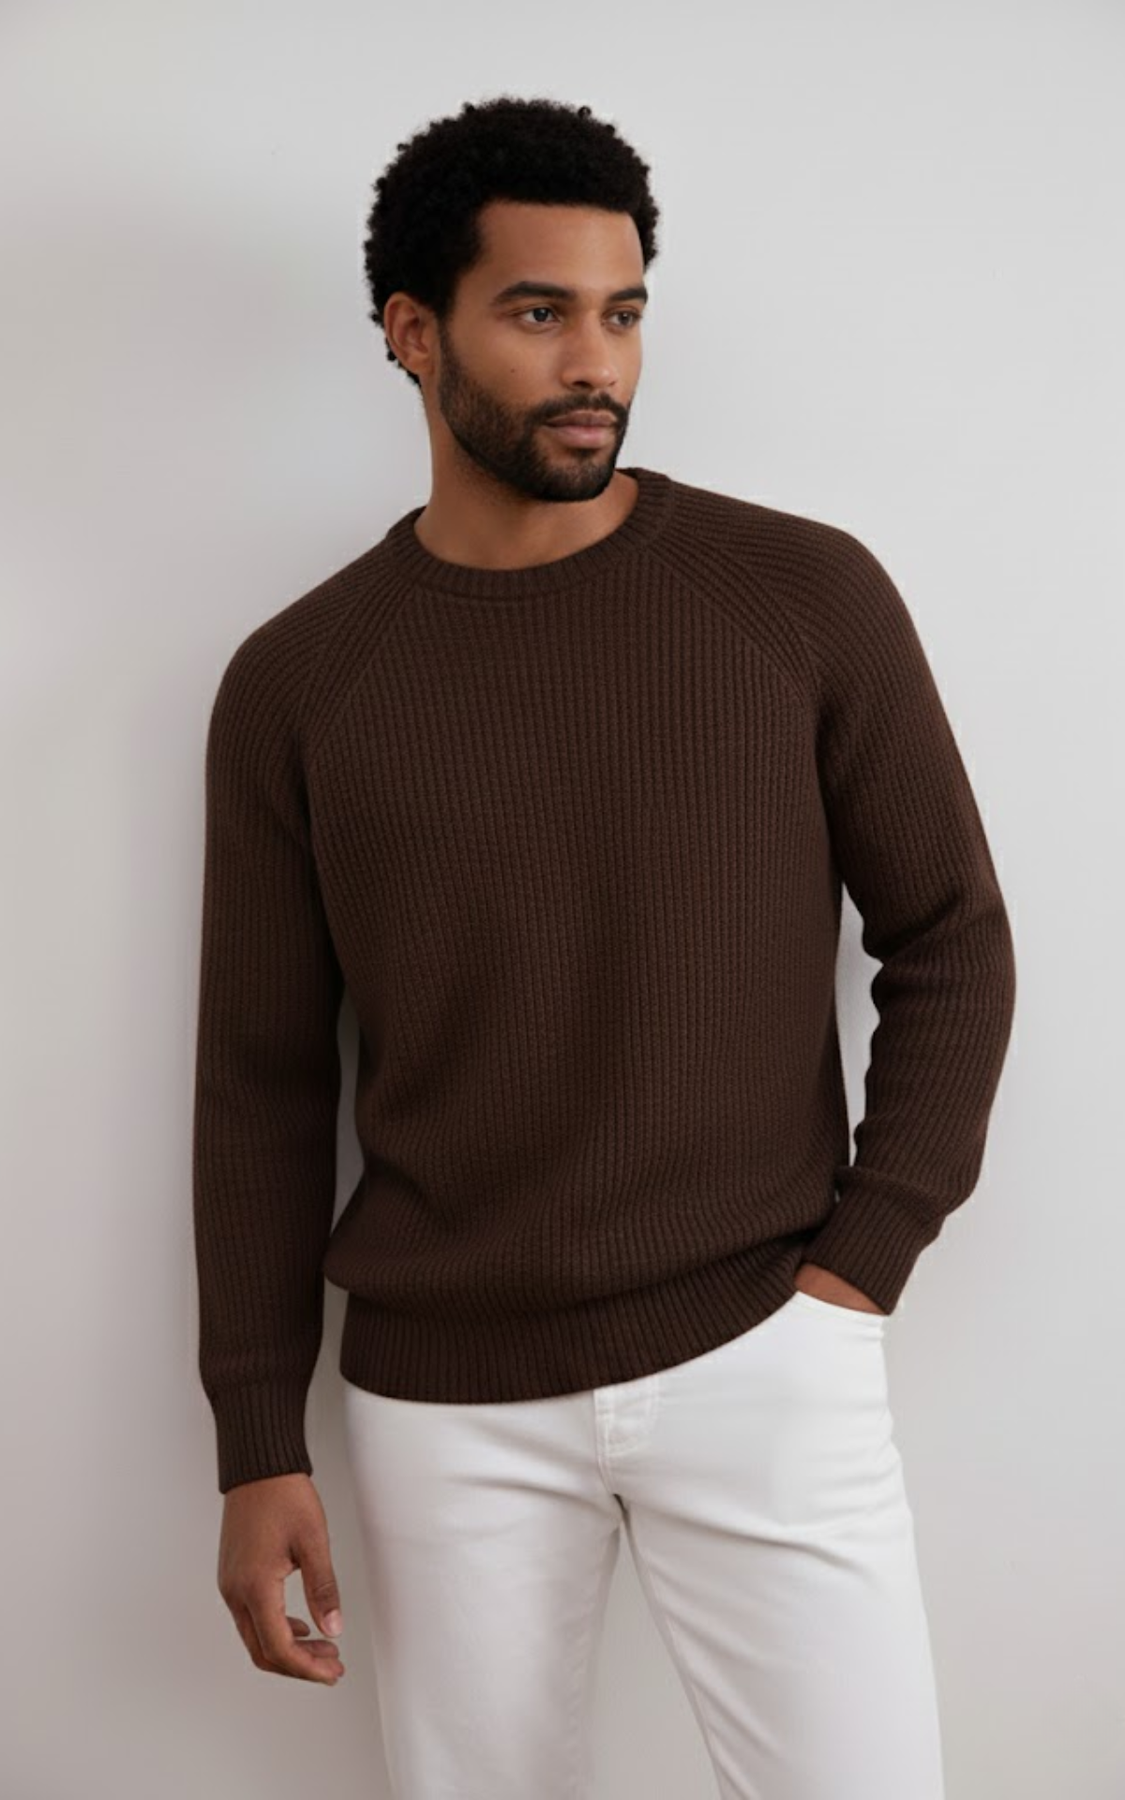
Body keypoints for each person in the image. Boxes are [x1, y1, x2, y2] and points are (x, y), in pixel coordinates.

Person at [192, 94, 1017, 1800]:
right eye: (538, 311)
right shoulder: (299, 683)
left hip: (765, 1342)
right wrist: (257, 1439)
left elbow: (951, 936)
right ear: (413, 333)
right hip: (447, 1406)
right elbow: (262, 1084)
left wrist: (862, 1263)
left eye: (623, 312)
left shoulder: (800, 597)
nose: (596, 363)